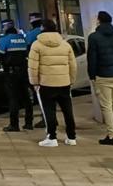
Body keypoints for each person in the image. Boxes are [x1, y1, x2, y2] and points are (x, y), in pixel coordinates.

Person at [28, 18, 77, 147]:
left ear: (42, 28)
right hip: (64, 83)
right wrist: (71, 80)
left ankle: (52, 137)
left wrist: (34, 82)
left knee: (49, 111)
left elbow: (33, 66)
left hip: (46, 83)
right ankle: (71, 137)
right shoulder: (65, 45)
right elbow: (73, 65)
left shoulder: (36, 45)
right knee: (68, 111)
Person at [87, 10, 113, 146]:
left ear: (99, 20)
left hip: (103, 75)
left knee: (107, 106)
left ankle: (112, 135)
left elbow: (92, 58)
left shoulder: (94, 37)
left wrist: (92, 75)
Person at [0, 20, 33, 132]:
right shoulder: (23, 39)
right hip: (24, 71)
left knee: (13, 99)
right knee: (27, 98)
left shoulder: (4, 39)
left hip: (11, 73)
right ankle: (29, 123)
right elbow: (28, 53)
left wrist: (5, 64)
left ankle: (14, 125)